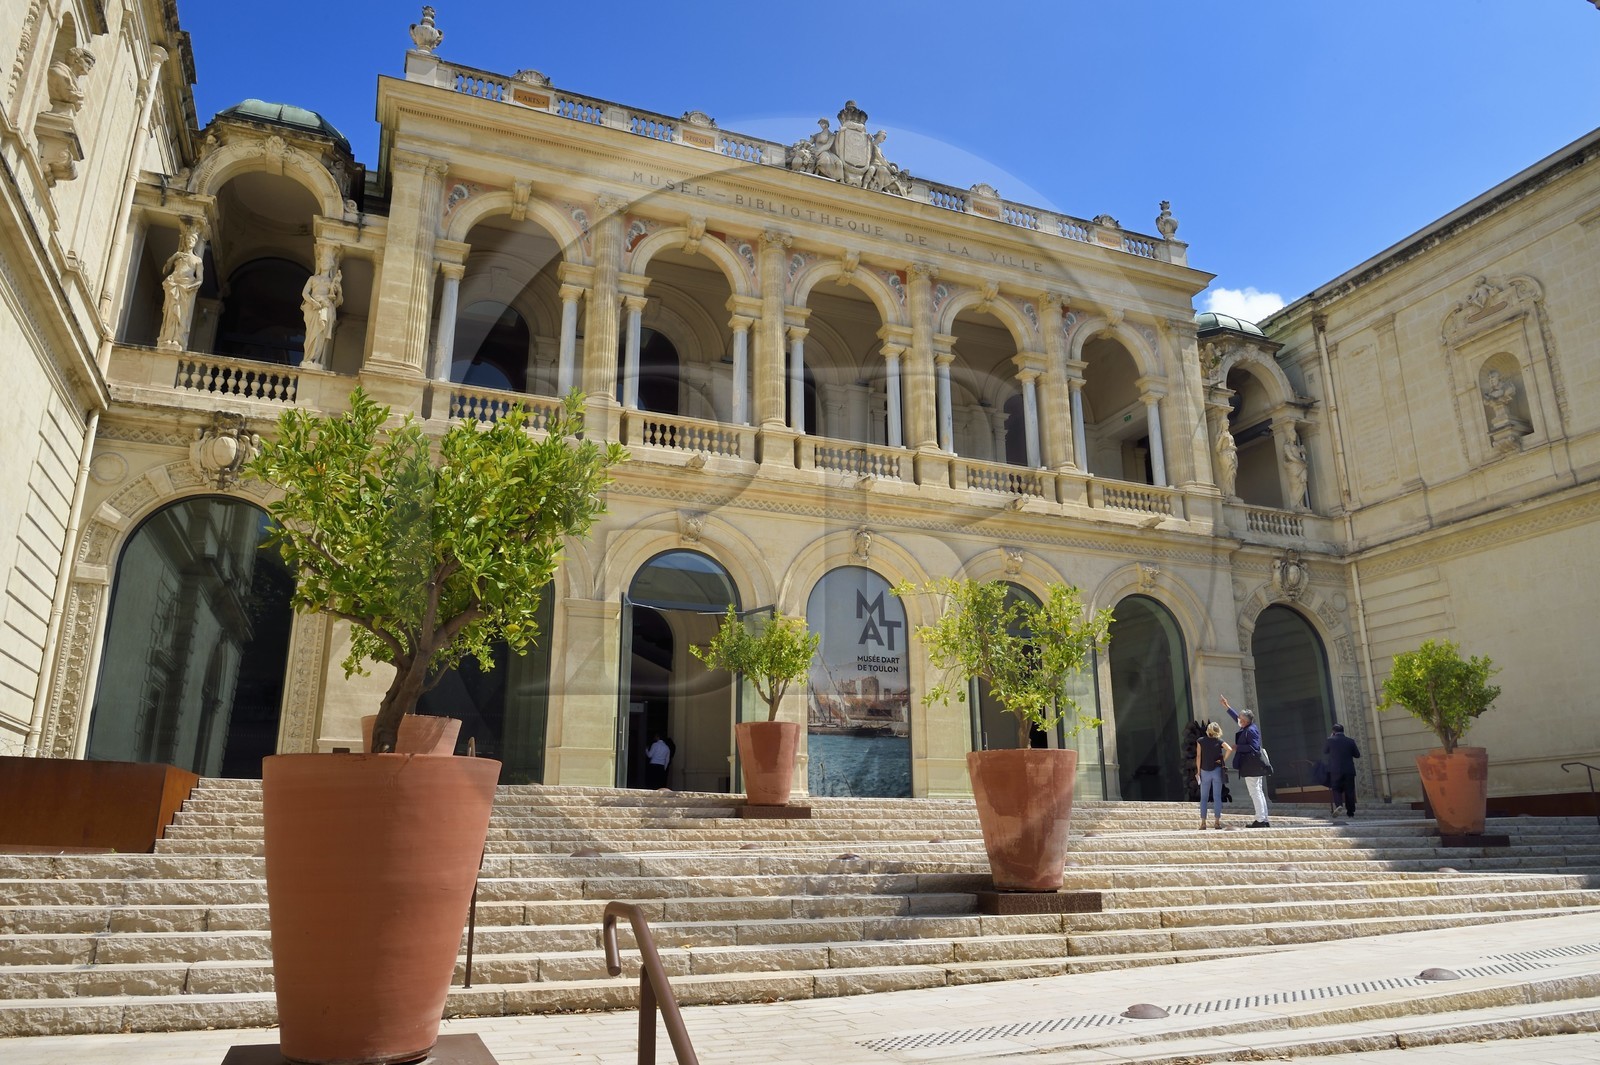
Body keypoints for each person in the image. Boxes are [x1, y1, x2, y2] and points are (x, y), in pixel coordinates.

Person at [1221, 695, 1270, 827]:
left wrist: (1238, 747)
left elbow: (1254, 747)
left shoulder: (1251, 730)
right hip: (1252, 765)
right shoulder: (1246, 726)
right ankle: (1263, 819)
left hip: (1251, 765)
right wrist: (1227, 707)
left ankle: (1260, 820)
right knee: (1258, 791)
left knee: (1255, 792)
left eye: (1242, 719)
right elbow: (1236, 717)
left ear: (1247, 721)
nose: (1239, 720)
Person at [1195, 721, 1233, 831]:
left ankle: (1203, 823)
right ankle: (1216, 822)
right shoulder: (1219, 741)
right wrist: (1222, 760)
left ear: (1208, 731)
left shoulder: (1200, 741)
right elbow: (1229, 749)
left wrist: (1198, 771)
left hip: (1204, 771)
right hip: (1216, 770)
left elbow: (1198, 756)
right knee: (1217, 797)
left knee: (1204, 798)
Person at [1323, 722, 1361, 818]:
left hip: (1335, 770)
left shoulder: (1330, 740)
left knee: (1336, 788)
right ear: (1343, 731)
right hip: (1349, 770)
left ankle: (1339, 805)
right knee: (1349, 791)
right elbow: (1357, 755)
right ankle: (1350, 812)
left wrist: (1331, 738)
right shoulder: (1350, 741)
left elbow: (1325, 751)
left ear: (1333, 731)